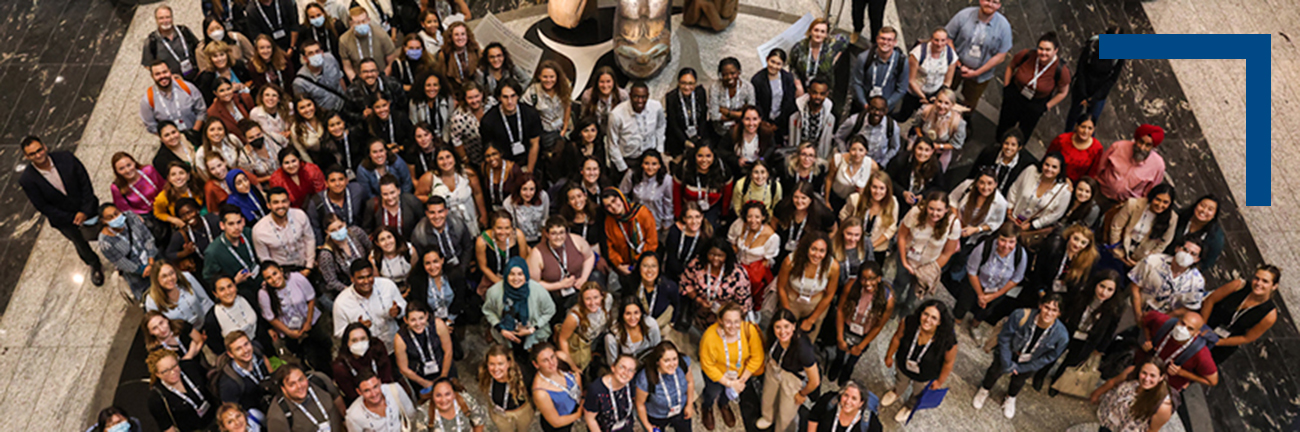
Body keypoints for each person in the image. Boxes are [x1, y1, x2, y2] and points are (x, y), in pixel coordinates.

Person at [20, 137, 104, 284]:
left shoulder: (66, 157)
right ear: (27, 157)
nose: (38, 155)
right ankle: (94, 264)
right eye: (32, 154)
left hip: (87, 206)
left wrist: (84, 210)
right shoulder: (27, 179)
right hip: (64, 220)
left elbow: (85, 182)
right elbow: (43, 206)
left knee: (105, 228)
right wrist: (72, 217)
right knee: (80, 243)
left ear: (45, 147)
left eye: (39, 150)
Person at [973, 294, 1068, 419]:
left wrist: (1022, 368)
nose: (1049, 313)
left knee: (1019, 381)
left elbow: (1049, 357)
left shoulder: (1061, 336)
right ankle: (985, 389)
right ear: (1040, 305)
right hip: (1010, 351)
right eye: (1046, 307)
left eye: (1054, 310)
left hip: (1030, 360)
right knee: (995, 371)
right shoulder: (1020, 315)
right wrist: (1007, 363)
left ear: (1059, 313)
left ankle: (1010, 397)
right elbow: (1004, 338)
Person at [1034, 270, 1125, 394]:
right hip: (1069, 331)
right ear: (1095, 284)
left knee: (1070, 362)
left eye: (1110, 289)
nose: (1104, 292)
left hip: (1088, 339)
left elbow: (1110, 329)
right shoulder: (1082, 294)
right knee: (1054, 353)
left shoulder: (1115, 307)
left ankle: (1057, 383)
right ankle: (1040, 375)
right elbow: (1066, 308)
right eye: (1102, 286)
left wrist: (1101, 348)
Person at [1097, 310, 1219, 396]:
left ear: (1196, 334)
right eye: (1182, 323)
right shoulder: (1163, 322)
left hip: (1164, 385)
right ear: (1178, 320)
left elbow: (1212, 381)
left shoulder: (1201, 355)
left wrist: (1183, 373)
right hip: (1141, 368)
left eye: (1190, 328)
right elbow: (1145, 319)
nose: (1183, 329)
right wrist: (1148, 339)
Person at [696, 302, 763, 431]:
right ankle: (707, 407)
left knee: (729, 395)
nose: (733, 326)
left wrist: (741, 381)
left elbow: (757, 357)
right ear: (720, 320)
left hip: (739, 374)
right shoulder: (709, 337)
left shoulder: (749, 330)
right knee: (712, 392)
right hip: (716, 374)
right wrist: (728, 382)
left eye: (736, 321)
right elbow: (707, 365)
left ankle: (724, 405)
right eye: (728, 322)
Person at [951, 224, 1028, 333]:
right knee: (963, 304)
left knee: (985, 311)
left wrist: (993, 296)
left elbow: (1016, 279)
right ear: (997, 238)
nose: (1006, 246)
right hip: (976, 283)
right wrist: (980, 295)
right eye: (1003, 240)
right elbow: (972, 271)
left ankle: (973, 327)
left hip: (997, 289)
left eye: (1011, 242)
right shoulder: (985, 246)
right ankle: (955, 324)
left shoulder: (1021, 255)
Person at [828, 263, 893, 387]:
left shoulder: (887, 300)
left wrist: (861, 346)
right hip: (847, 325)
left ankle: (847, 369)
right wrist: (840, 337)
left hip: (865, 332)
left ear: (879, 278)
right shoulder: (851, 286)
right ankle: (838, 362)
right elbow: (840, 310)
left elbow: (878, 326)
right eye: (863, 278)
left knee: (854, 356)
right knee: (841, 349)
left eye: (872, 278)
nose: (867, 283)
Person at [894, 192, 960, 314]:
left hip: (927, 264)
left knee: (915, 290)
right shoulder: (915, 213)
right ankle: (892, 305)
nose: (934, 213)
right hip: (907, 256)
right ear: (926, 207)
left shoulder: (953, 224)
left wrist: (929, 270)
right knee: (899, 283)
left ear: (946, 210)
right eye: (931, 208)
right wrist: (904, 261)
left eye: (939, 210)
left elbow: (947, 252)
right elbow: (902, 235)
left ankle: (907, 308)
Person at [996, 32, 1071, 139]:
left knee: (1024, 132)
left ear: (1056, 51)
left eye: (1048, 50)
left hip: (1035, 103)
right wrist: (1007, 87)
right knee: (1004, 125)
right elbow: (1011, 66)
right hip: (1015, 94)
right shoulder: (1027, 55)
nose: (1043, 53)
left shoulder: (1061, 70)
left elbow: (1063, 92)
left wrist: (1046, 106)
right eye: (1040, 49)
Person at [756, 309, 821, 432]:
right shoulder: (772, 337)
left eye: (786, 326)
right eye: (778, 327)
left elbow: (815, 381)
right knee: (768, 396)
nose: (782, 332)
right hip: (774, 368)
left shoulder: (803, 349)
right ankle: (768, 418)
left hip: (792, 376)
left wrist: (802, 394)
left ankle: (781, 429)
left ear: (794, 326)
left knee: (787, 410)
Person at [483, 256, 557, 363]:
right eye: (511, 274)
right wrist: (501, 329)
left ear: (526, 274)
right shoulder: (494, 292)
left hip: (533, 335)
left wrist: (532, 329)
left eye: (520, 274)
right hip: (506, 335)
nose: (516, 278)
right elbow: (488, 311)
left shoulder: (538, 290)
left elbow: (550, 310)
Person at [259, 261, 332, 369]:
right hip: (289, 329)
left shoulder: (296, 278)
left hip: (311, 320)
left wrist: (308, 322)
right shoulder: (263, 294)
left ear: (281, 270)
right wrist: (289, 332)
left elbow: (311, 298)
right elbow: (271, 318)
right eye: (268, 278)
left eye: (275, 273)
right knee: (300, 355)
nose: (274, 279)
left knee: (322, 345)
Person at [1201, 265, 1280, 363]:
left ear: (1274, 286)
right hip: (1205, 323)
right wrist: (1201, 326)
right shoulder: (1238, 285)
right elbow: (1210, 300)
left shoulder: (1269, 315)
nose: (1258, 283)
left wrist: (1219, 342)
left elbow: (1247, 338)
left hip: (1225, 342)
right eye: (1256, 278)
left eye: (1265, 281)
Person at [945, 0, 1013, 109]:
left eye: (994, 2)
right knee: (944, 92)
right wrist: (957, 63)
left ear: (999, 6)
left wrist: (976, 72)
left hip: (981, 74)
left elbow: (1001, 56)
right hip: (954, 66)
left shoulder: (1004, 27)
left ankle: (965, 118)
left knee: (970, 101)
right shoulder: (964, 15)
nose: (990, 4)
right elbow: (948, 38)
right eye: (987, 0)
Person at [775, 232, 841, 339]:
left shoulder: (833, 267)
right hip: (792, 300)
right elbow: (781, 287)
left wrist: (812, 320)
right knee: (785, 334)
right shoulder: (791, 261)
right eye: (813, 249)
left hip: (816, 302)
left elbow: (829, 294)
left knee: (808, 339)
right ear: (806, 248)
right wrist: (787, 313)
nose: (817, 255)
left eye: (822, 251)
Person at [333, 259, 408, 353]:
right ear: (352, 279)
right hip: (367, 352)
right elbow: (339, 333)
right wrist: (357, 328)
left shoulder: (387, 285)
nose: (366, 281)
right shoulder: (341, 302)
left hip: (394, 344)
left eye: (369, 276)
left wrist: (399, 310)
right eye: (361, 278)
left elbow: (405, 307)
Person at [528, 217, 597, 319]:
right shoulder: (537, 253)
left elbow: (590, 256)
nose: (558, 237)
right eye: (554, 233)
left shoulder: (576, 240)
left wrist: (583, 278)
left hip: (578, 285)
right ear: (547, 234)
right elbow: (534, 283)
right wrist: (559, 285)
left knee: (596, 277)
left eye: (561, 233)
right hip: (554, 293)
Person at [1065, 27, 1126, 132]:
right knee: (1073, 116)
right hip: (1082, 87)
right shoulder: (1093, 45)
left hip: (1099, 93)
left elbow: (1113, 79)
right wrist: (1083, 94)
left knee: (1091, 123)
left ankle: (1086, 147)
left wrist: (1095, 97)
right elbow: (1081, 69)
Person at [1106, 183, 1178, 272]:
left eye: (1165, 202)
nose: (1160, 205)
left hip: (1141, 259)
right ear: (1152, 197)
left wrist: (1144, 261)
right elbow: (1116, 227)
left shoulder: (1172, 218)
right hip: (1120, 249)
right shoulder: (1133, 204)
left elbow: (1163, 243)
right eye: (1158, 199)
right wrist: (1118, 252)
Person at [1091, 124, 1167, 205]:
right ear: (1136, 139)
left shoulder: (1158, 165)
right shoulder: (1118, 147)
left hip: (1124, 206)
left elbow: (1149, 192)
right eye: (1141, 142)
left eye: (1148, 145)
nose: (1142, 148)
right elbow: (1099, 167)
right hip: (1100, 192)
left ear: (1153, 147)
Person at [1025, 224, 1099, 307]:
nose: (1077, 245)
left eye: (1083, 243)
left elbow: (1076, 288)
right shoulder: (1054, 247)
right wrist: (1042, 293)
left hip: (1059, 299)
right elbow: (1037, 272)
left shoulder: (1086, 260)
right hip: (1039, 290)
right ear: (1069, 236)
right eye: (1075, 239)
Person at [1090, 360, 1174, 432]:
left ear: (1161, 377)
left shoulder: (1163, 407)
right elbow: (1113, 382)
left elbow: (1152, 430)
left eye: (1152, 376)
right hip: (1108, 421)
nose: (1147, 379)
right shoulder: (1131, 373)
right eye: (1144, 373)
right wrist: (1097, 393)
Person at [895, 28, 959, 122]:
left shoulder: (950, 55)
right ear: (931, 39)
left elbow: (948, 80)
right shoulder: (919, 53)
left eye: (943, 40)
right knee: (904, 115)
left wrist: (939, 97)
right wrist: (923, 97)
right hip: (915, 91)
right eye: (936, 40)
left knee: (926, 118)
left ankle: (914, 133)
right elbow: (910, 79)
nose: (939, 44)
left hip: (934, 92)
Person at [203, 206, 264, 302]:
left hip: (261, 281)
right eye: (231, 224)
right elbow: (210, 279)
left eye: (239, 222)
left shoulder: (249, 233)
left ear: (243, 221)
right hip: (241, 293)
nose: (236, 227)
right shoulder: (213, 251)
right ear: (222, 226)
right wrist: (233, 281)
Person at [482, 82, 545, 174]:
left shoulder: (530, 114)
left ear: (518, 96)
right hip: (504, 163)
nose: (510, 101)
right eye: (505, 97)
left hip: (529, 159)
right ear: (499, 98)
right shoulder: (489, 120)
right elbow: (491, 151)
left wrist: (529, 172)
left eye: (513, 96)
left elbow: (534, 144)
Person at [602, 188, 660, 289]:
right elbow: (610, 247)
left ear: (621, 198)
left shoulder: (642, 212)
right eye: (608, 206)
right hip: (625, 266)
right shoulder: (609, 221)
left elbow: (652, 241)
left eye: (614, 201)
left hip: (645, 261)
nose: (614, 207)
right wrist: (619, 265)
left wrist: (640, 262)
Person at [146, 350, 217, 431]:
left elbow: (212, 384)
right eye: (166, 371)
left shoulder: (190, 367)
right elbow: (168, 428)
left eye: (174, 366)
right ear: (157, 374)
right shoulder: (156, 398)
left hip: (217, 414)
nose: (173, 372)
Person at [98, 203, 157, 300]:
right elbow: (121, 262)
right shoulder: (105, 243)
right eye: (110, 218)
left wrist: (151, 261)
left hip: (152, 258)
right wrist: (142, 270)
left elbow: (148, 238)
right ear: (103, 221)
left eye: (116, 214)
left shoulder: (131, 217)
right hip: (137, 273)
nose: (115, 218)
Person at [266, 364, 349, 432]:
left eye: (301, 379)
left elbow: (337, 399)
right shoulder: (277, 417)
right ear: (283, 389)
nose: (299, 386)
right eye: (292, 384)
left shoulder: (320, 380)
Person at [394, 301, 454, 395]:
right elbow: (403, 368)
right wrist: (425, 383)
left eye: (421, 318)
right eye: (413, 320)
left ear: (426, 316)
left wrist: (443, 377)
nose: (418, 323)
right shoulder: (400, 338)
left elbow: (448, 351)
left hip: (444, 367)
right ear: (406, 320)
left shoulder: (438, 324)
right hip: (420, 376)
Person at [251, 187, 316, 272]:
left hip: (305, 264)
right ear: (268, 205)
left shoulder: (300, 215)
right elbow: (265, 259)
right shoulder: (259, 230)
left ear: (289, 202)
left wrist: (309, 266)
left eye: (284, 201)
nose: (280, 206)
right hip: (282, 271)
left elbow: (309, 240)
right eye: (276, 202)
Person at [411, 197, 476, 282]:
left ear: (446, 211)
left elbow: (468, 247)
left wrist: (462, 269)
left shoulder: (458, 224)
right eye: (432, 213)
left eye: (440, 211)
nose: (437, 216)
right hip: (435, 272)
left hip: (459, 265)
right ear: (426, 213)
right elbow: (420, 261)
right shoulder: (419, 234)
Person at [608, 83, 668, 175]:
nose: (640, 101)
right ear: (630, 96)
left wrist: (659, 150)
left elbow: (661, 126)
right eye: (636, 97)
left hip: (649, 157)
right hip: (628, 159)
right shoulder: (616, 115)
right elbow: (612, 143)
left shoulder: (656, 107)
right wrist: (623, 167)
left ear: (648, 96)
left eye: (643, 97)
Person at [839, 171, 898, 263]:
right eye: (874, 187)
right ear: (869, 187)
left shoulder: (892, 203)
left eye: (882, 188)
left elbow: (891, 228)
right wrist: (849, 237)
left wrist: (870, 247)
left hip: (877, 249)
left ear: (887, 189)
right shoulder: (855, 199)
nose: (877, 192)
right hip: (853, 245)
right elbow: (843, 216)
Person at [1006, 153, 1073, 234]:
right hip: (1011, 218)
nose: (1049, 169)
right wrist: (1009, 210)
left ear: (1060, 170)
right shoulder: (1031, 171)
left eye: (1054, 167)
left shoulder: (1064, 191)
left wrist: (1033, 225)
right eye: (1047, 165)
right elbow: (1014, 188)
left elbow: (1056, 214)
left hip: (1030, 229)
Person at [634, 342, 694, 432]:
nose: (672, 364)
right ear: (658, 362)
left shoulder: (682, 363)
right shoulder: (645, 378)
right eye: (666, 361)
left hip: (680, 408)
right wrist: (648, 426)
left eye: (674, 359)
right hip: (657, 415)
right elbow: (640, 404)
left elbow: (690, 382)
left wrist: (689, 405)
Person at [555, 282, 614, 374]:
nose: (593, 303)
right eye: (588, 299)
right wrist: (572, 366)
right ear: (582, 300)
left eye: (596, 297)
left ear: (602, 296)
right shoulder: (574, 317)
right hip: (582, 346)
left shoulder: (608, 300)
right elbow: (563, 339)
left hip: (599, 337)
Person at [334, 322, 398, 403]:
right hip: (362, 401)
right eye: (354, 340)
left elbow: (386, 375)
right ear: (347, 343)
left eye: (363, 339)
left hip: (384, 390)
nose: (359, 343)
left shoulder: (377, 347)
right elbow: (352, 394)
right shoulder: (340, 367)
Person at [141, 60, 208, 135]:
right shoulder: (148, 100)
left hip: (196, 134)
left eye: (165, 72)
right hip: (171, 142)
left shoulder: (187, 87)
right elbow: (151, 126)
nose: (162, 76)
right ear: (152, 76)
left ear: (170, 71)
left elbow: (201, 111)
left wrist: (194, 133)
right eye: (157, 74)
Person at [850, 27, 908, 113]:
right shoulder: (863, 58)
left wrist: (884, 105)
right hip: (863, 105)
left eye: (889, 40)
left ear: (895, 42)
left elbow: (901, 88)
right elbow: (857, 82)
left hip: (885, 108)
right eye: (883, 38)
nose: (885, 42)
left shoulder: (902, 62)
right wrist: (864, 103)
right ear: (877, 39)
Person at [478, 344, 535, 432]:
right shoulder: (485, 375)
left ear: (509, 363)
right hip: (498, 413)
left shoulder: (523, 375)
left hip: (521, 412)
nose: (496, 368)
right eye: (491, 364)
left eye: (500, 364)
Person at [673, 143, 733, 226]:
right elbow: (676, 194)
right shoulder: (684, 168)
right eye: (700, 156)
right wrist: (678, 216)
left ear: (714, 156)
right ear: (694, 155)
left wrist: (724, 215)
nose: (704, 160)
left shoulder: (723, 170)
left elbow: (727, 195)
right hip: (688, 207)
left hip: (712, 208)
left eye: (708, 156)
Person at [214, 330, 274, 411]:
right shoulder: (229, 383)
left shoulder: (256, 351)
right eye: (238, 349)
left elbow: (268, 367)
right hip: (253, 412)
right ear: (231, 354)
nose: (245, 350)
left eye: (246, 344)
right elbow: (231, 410)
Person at [907, 88, 966, 171]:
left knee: (937, 169)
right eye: (940, 101)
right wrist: (922, 139)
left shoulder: (958, 122)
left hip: (940, 150)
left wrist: (938, 146)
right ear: (935, 100)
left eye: (946, 103)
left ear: (952, 105)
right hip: (922, 142)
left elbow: (956, 144)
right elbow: (917, 125)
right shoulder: (925, 110)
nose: (942, 106)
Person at [532, 342, 586, 432]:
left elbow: (576, 372)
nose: (551, 363)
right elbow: (556, 422)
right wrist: (579, 413)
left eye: (552, 357)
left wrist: (580, 393)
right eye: (545, 360)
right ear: (536, 364)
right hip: (561, 425)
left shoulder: (562, 358)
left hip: (574, 406)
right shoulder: (540, 392)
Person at [622, 151, 678, 235]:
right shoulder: (632, 174)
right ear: (641, 164)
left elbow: (668, 202)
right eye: (646, 163)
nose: (650, 167)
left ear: (659, 165)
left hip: (655, 222)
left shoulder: (666, 180)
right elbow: (622, 194)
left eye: (654, 164)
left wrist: (667, 222)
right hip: (635, 221)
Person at [145, 262, 214, 329]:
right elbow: (160, 327)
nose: (170, 278)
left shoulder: (186, 277)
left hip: (207, 324)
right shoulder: (152, 301)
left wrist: (210, 323)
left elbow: (205, 301)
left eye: (171, 273)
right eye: (164, 276)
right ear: (157, 280)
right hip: (183, 337)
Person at [522, 60, 573, 151]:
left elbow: (567, 106)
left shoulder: (564, 87)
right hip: (545, 133)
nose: (548, 80)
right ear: (539, 76)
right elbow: (524, 111)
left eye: (552, 77)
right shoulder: (532, 92)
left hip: (562, 129)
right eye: (545, 77)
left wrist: (564, 128)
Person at [345, 370, 419, 432]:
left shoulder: (394, 390)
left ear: (380, 382)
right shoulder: (353, 416)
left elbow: (411, 414)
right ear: (359, 392)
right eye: (367, 390)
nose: (374, 394)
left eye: (375, 386)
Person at [968, 130, 1037, 196]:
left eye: (1013, 145)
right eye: (1006, 143)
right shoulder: (990, 153)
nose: (1009, 147)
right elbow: (974, 172)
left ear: (1019, 147)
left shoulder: (1022, 165)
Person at [752, 49, 799, 145]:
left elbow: (789, 101)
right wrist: (764, 122)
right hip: (763, 122)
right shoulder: (757, 80)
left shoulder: (787, 78)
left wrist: (777, 124)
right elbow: (756, 103)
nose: (774, 66)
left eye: (778, 64)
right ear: (767, 59)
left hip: (781, 121)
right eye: (772, 62)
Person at [582, 354, 639, 432]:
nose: (625, 373)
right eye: (622, 367)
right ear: (613, 368)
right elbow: (590, 418)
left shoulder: (630, 383)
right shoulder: (596, 390)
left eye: (630, 370)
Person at [1167, 195, 1225, 270]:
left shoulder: (1215, 237)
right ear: (1196, 206)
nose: (1204, 211)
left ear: (1214, 215)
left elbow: (1206, 262)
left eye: (1210, 209)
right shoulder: (1180, 216)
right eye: (1202, 206)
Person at [885, 138, 945, 213]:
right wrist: (903, 193)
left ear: (932, 152)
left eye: (927, 150)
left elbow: (938, 187)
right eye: (920, 149)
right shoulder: (900, 161)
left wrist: (923, 196)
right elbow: (887, 179)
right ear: (914, 148)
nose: (922, 153)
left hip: (922, 203)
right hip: (898, 199)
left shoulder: (936, 165)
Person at [142, 6, 201, 80]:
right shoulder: (151, 41)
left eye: (167, 17)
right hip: (174, 81)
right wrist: (166, 76)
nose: (165, 20)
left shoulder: (183, 31)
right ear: (156, 20)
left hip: (197, 75)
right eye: (161, 18)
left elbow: (199, 47)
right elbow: (148, 65)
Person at [338, 8, 397, 81]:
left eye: (364, 21)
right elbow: (348, 67)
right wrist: (356, 82)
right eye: (357, 22)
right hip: (360, 79)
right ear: (351, 24)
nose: (361, 25)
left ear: (369, 20)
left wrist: (383, 79)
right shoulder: (344, 40)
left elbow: (391, 62)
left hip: (381, 76)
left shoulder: (381, 35)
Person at [789, 19, 848, 90]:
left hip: (824, 89)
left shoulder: (830, 47)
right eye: (816, 30)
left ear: (826, 35)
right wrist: (797, 83)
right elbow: (792, 66)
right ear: (810, 32)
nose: (818, 34)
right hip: (803, 86)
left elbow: (846, 38)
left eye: (822, 32)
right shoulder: (799, 47)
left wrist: (837, 55)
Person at [665, 68, 710, 160]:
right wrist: (685, 141)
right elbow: (673, 124)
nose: (686, 87)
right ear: (678, 83)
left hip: (698, 134)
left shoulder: (700, 93)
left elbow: (703, 117)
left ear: (695, 83)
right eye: (683, 83)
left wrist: (700, 137)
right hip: (678, 137)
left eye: (690, 83)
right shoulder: (671, 97)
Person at [293, 40, 348, 113]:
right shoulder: (300, 82)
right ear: (305, 58)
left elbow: (340, 78)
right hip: (326, 114)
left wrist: (347, 97)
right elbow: (303, 103)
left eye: (317, 51)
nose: (315, 55)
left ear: (322, 52)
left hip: (343, 104)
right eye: (310, 53)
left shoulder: (330, 58)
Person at [805, 381, 884, 432]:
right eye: (846, 395)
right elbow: (814, 417)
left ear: (861, 403)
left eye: (854, 398)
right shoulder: (828, 401)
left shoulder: (871, 424)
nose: (848, 401)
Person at [477, 211, 531, 286]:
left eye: (507, 228)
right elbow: (483, 266)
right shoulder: (482, 241)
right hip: (493, 277)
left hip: (515, 277)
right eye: (499, 228)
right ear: (493, 227)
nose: (503, 232)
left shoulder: (518, 236)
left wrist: (514, 280)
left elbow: (522, 261)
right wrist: (500, 283)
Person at [347, 59, 407, 126]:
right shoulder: (352, 91)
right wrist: (362, 115)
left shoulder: (393, 84)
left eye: (372, 71)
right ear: (360, 74)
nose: (369, 75)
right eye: (365, 72)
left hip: (393, 124)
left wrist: (388, 111)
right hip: (367, 127)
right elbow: (348, 115)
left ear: (378, 72)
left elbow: (403, 106)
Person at [451, 81, 498, 168]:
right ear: (465, 98)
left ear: (482, 94)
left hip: (497, 154)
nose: (474, 101)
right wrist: (465, 160)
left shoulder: (492, 103)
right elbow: (456, 140)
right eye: (470, 98)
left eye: (477, 96)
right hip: (476, 159)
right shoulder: (458, 117)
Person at [708, 57, 757, 137]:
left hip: (742, 130)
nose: (729, 77)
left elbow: (751, 115)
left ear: (739, 72)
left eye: (733, 73)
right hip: (719, 132)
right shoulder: (715, 87)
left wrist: (727, 113)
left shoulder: (748, 87)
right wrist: (740, 114)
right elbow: (714, 116)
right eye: (725, 74)